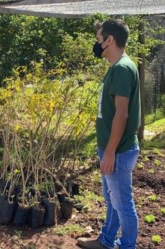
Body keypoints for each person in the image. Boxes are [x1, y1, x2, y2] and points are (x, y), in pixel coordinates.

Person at [77, 19, 141, 249]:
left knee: (123, 203)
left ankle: (127, 245)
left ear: (109, 40)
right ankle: (106, 241)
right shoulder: (118, 67)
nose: (97, 45)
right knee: (112, 201)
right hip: (111, 148)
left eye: (98, 40)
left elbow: (121, 114)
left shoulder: (122, 69)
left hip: (119, 150)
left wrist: (111, 152)